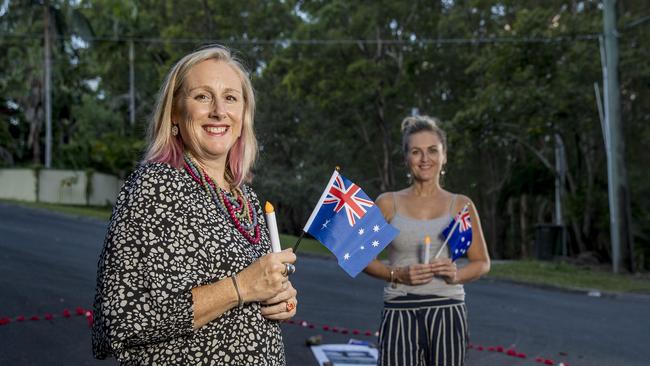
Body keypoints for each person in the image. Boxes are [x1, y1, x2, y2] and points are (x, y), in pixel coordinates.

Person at [91, 45, 298, 365]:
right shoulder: (155, 188)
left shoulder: (244, 197)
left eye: (230, 97)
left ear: (244, 115)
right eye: (203, 96)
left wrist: (279, 298)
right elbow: (122, 319)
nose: (218, 111)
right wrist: (242, 286)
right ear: (174, 112)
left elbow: (257, 291)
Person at [364, 115, 490, 366]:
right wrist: (398, 274)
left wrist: (456, 275)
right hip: (400, 309)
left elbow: (482, 262)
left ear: (444, 156)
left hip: (448, 309)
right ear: (406, 159)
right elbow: (364, 259)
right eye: (416, 151)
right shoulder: (388, 202)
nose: (425, 159)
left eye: (433, 150)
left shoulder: (461, 205)